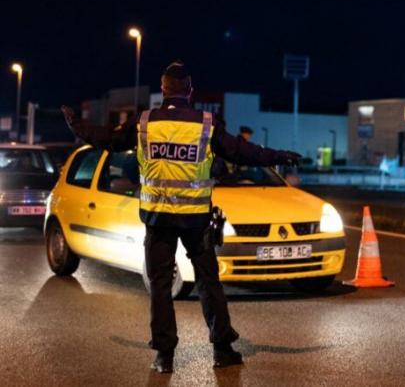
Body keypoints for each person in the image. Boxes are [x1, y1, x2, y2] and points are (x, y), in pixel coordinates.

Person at [61, 61, 301, 373]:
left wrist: (76, 126)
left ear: (162, 90)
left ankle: (164, 356)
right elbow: (242, 152)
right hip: (195, 220)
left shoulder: (145, 123)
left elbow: (107, 138)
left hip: (158, 219)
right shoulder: (206, 124)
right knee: (208, 283)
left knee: (160, 287)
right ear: (190, 90)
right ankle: (222, 349)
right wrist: (278, 156)